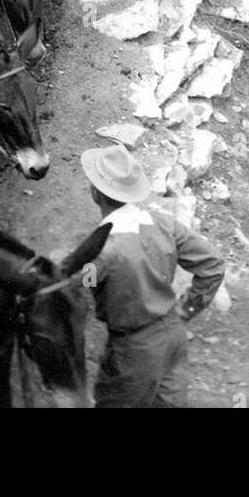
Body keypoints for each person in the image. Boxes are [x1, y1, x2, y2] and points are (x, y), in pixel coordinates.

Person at [80, 144, 226, 408]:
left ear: (95, 193)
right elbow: (213, 264)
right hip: (173, 333)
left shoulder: (98, 250)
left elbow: (85, 286)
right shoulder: (163, 223)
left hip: (134, 348)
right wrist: (185, 310)